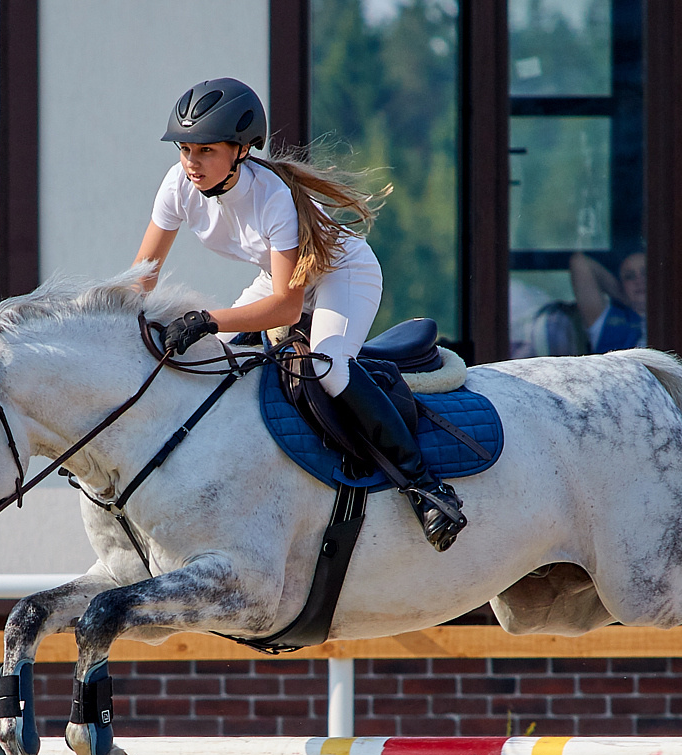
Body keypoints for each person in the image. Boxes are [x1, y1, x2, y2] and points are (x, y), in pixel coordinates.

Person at [132, 77, 466, 553]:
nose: (191, 162)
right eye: (185, 149)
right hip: (279, 275)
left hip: (339, 274)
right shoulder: (177, 186)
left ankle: (426, 488)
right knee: (215, 362)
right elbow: (143, 275)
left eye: (205, 150)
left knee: (329, 369)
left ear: (242, 150)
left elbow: (288, 307)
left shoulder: (272, 196)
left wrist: (208, 318)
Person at [568, 250, 682, 365]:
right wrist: (623, 295)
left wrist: (666, 286)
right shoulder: (606, 320)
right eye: (630, 277)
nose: (639, 281)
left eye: (647, 273)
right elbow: (579, 263)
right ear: (621, 285)